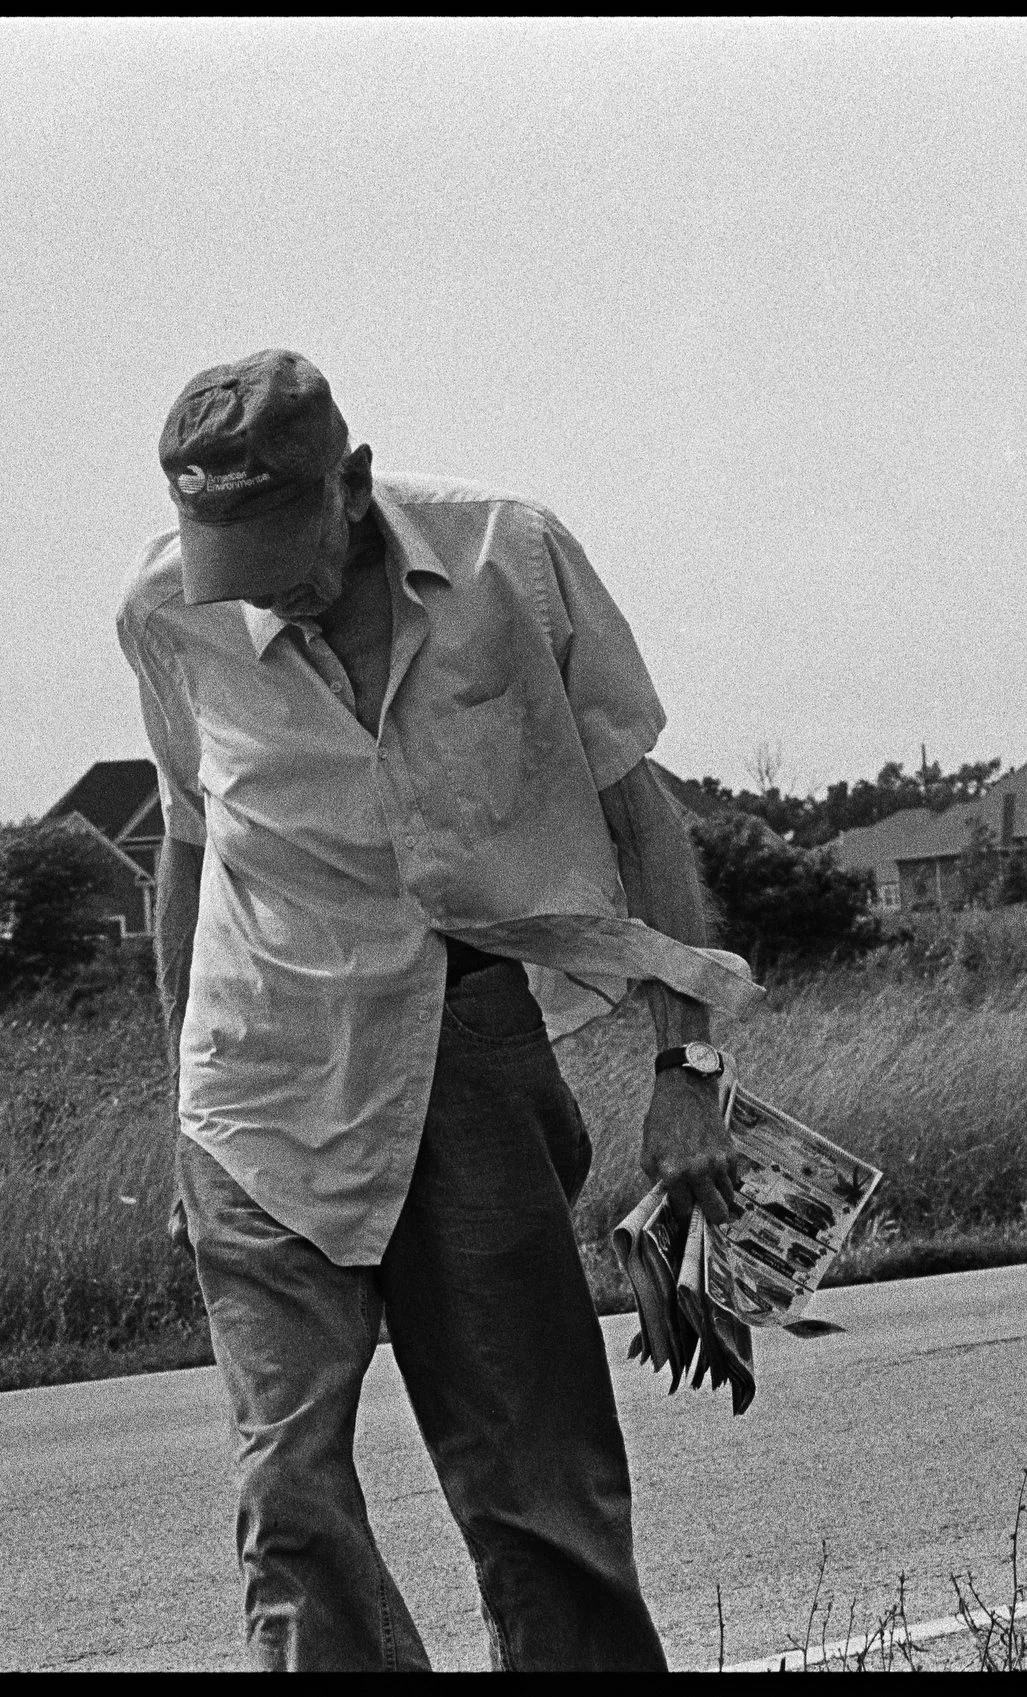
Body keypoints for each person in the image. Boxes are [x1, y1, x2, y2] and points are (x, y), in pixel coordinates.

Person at [117, 348, 762, 1671]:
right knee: (285, 1495)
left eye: (282, 557)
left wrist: (687, 1063)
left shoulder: (510, 559)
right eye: (226, 566)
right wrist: (182, 1105)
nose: (263, 602)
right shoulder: (164, 615)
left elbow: (639, 809)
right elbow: (189, 848)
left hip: (465, 1054)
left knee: (539, 1490)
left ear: (351, 485)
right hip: (258, 1084)